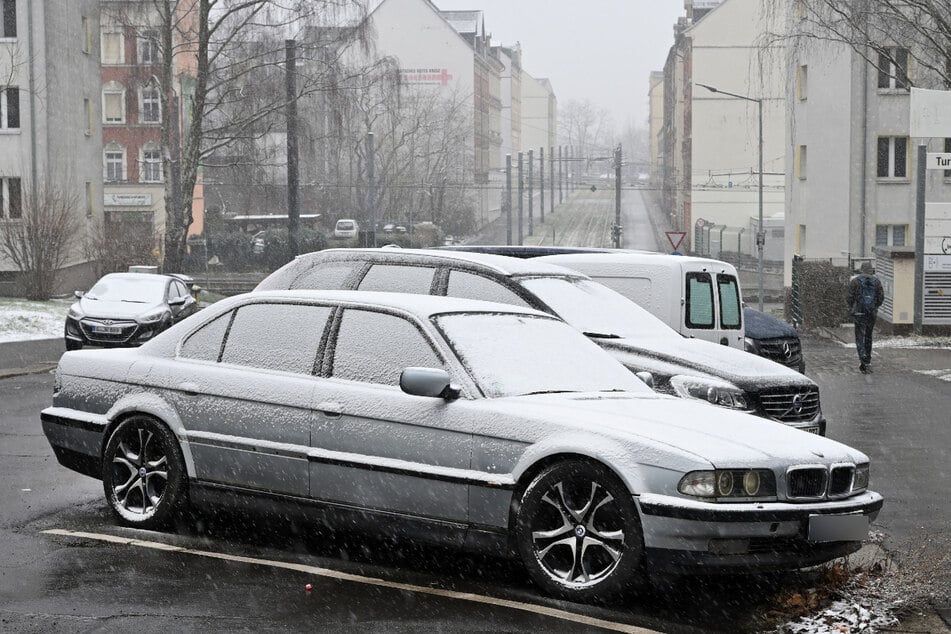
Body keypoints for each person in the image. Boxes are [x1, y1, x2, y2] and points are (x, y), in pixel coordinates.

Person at [847, 261, 884, 373]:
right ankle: (867, 359)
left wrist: (853, 307)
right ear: (871, 270)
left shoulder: (855, 282)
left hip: (859, 313)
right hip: (871, 313)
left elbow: (849, 297)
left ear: (861, 270)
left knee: (859, 337)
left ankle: (862, 358)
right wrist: (874, 307)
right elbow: (881, 298)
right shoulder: (876, 282)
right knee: (868, 336)